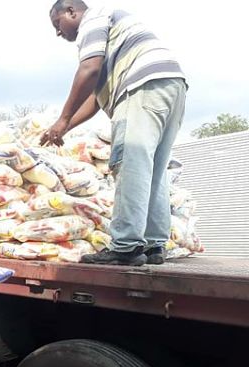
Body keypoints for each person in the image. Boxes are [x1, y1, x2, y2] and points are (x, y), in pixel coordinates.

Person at [40, 0, 187, 266]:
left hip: (141, 88)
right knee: (153, 169)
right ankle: (155, 245)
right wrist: (63, 127)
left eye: (57, 24)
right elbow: (94, 100)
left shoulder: (93, 19)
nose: (58, 33)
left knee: (131, 164)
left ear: (71, 11)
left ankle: (126, 246)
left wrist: (62, 118)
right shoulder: (115, 32)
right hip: (170, 86)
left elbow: (89, 69)